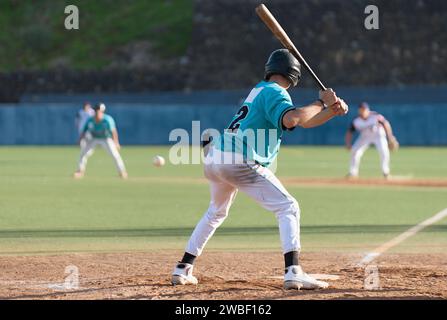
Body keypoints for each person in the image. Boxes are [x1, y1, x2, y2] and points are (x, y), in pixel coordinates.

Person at [171, 49, 349, 290]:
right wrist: (320, 102)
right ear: (294, 75)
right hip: (238, 159)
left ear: (270, 69)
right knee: (288, 206)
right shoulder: (276, 92)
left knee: (216, 212)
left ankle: (183, 268)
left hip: (216, 157)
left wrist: (330, 111)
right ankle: (293, 271)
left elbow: (302, 121)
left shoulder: (261, 90)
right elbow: (291, 119)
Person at [74, 103, 128, 179]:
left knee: (115, 154)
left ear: (102, 112)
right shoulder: (90, 120)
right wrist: (80, 140)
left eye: (99, 111)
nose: (97, 112)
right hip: (94, 138)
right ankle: (80, 171)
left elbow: (113, 131)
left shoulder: (107, 119)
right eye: (96, 111)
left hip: (105, 139)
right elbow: (84, 131)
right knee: (83, 154)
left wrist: (116, 142)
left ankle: (122, 171)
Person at [345, 102, 398, 178]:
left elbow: (385, 124)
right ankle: (353, 173)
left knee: (384, 151)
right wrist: (348, 143)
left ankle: (385, 172)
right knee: (355, 151)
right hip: (365, 137)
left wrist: (390, 137)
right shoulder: (356, 120)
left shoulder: (375, 116)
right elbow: (349, 132)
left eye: (364, 109)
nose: (363, 111)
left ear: (368, 110)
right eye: (361, 110)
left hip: (378, 136)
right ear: (359, 111)